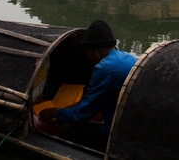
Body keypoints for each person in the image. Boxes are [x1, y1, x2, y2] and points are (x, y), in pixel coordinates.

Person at [39, 20, 136, 151]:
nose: (89, 58)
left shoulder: (104, 69)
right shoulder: (127, 57)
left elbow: (81, 114)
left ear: (94, 51)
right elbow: (92, 100)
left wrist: (55, 112)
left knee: (67, 127)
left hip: (115, 131)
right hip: (131, 124)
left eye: (88, 53)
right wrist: (68, 108)